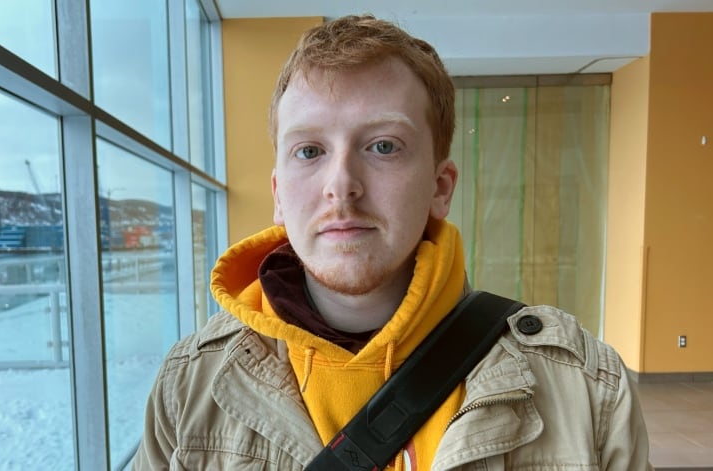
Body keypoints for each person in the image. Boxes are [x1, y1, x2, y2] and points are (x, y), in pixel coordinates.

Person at [132, 14, 652, 471]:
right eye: (309, 151)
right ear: (278, 196)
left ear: (439, 187)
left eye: (383, 145)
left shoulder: (584, 387)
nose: (341, 184)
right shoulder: (191, 387)